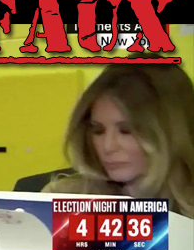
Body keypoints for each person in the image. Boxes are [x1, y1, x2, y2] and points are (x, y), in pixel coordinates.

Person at [43, 53, 194, 219]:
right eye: (98, 130)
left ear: (171, 131)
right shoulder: (61, 198)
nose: (108, 147)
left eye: (126, 130)